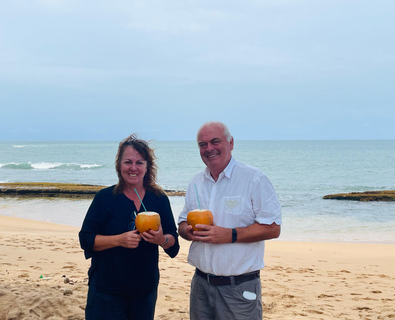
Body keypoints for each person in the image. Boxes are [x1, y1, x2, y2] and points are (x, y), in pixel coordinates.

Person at [178, 121, 282, 320]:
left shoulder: (253, 178)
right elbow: (182, 223)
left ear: (231, 143)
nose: (209, 148)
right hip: (200, 284)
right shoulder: (196, 182)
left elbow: (273, 228)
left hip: (240, 288)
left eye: (215, 141)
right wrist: (187, 232)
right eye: (202, 144)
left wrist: (230, 234)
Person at [79, 134, 180, 320]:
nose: (133, 168)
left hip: (144, 291)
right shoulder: (105, 198)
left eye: (139, 162)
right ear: (119, 165)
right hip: (106, 290)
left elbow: (173, 242)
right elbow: (86, 239)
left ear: (147, 166)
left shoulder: (158, 198)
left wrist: (161, 240)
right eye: (128, 162)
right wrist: (119, 240)